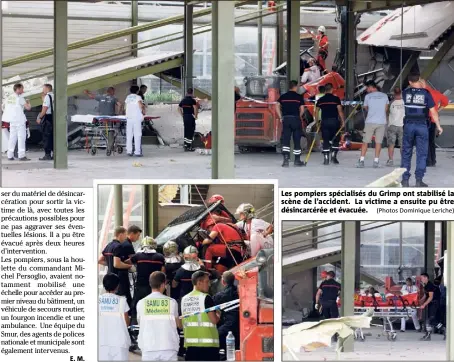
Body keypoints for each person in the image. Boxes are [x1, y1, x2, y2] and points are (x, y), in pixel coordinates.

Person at [401, 73, 443, 187]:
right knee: (422, 153)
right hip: (422, 125)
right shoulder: (426, 93)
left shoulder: (405, 93)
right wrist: (438, 126)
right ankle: (419, 180)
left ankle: (405, 180)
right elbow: (433, 112)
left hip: (409, 125)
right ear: (419, 80)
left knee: (406, 152)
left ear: (409, 82)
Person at [137, 271, 182, 361]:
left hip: (148, 347)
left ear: (150, 284)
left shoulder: (141, 303)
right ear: (163, 284)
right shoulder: (172, 302)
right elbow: (179, 325)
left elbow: (140, 323)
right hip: (169, 347)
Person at [181, 271, 220, 361]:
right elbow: (214, 320)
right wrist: (218, 313)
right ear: (199, 283)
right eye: (207, 282)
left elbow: (180, 324)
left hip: (190, 348)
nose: (209, 284)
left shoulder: (184, 299)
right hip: (208, 348)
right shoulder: (206, 298)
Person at [130, 237, 166, 322]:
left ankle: (135, 324)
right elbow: (163, 272)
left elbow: (129, 263)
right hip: (156, 287)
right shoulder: (160, 257)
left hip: (141, 286)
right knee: (155, 307)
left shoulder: (138, 256)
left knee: (137, 305)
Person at [98, 227, 134, 309]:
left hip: (109, 277)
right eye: (125, 235)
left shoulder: (108, 245)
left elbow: (100, 260)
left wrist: (110, 263)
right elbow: (117, 264)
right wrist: (129, 266)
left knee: (112, 302)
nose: (126, 237)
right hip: (119, 279)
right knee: (124, 300)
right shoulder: (118, 246)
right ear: (120, 235)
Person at [357, 80, 389, 168]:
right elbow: (386, 108)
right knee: (378, 142)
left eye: (367, 88)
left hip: (370, 122)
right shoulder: (384, 96)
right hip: (381, 122)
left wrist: (372, 111)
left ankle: (362, 161)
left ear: (371, 87)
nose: (367, 90)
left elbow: (366, 108)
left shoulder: (368, 97)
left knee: (365, 142)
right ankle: (376, 161)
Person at [99, 273, 131, 361]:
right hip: (119, 342)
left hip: (101, 341)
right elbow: (127, 322)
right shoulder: (122, 301)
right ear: (117, 286)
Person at [419, 79, 449, 167]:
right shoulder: (436, 92)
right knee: (431, 141)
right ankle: (433, 160)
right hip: (433, 119)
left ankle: (428, 161)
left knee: (425, 141)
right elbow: (445, 101)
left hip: (424, 119)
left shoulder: (422, 93)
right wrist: (438, 110)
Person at [313, 83, 345, 165]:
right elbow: (340, 111)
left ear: (325, 90)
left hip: (325, 122)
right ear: (332, 89)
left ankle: (326, 159)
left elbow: (316, 112)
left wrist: (316, 122)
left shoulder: (321, 100)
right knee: (335, 139)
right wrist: (343, 121)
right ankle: (334, 157)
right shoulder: (336, 99)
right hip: (334, 121)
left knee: (325, 139)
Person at [276, 80, 305, 167]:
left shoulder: (283, 96)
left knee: (286, 140)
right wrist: (298, 116)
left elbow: (276, 105)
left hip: (286, 119)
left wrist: (280, 117)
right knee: (296, 140)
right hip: (295, 119)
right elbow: (302, 110)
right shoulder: (299, 97)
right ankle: (297, 160)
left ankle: (285, 160)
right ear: (295, 87)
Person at [213, 271, 239, 361]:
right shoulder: (239, 292)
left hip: (228, 326)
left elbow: (210, 306)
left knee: (215, 335)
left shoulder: (220, 296)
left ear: (223, 282)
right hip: (240, 325)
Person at [3, 83, 31, 161]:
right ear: (18, 89)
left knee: (12, 138)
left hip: (12, 121)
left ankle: (10, 155)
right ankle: (21, 155)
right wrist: (28, 102)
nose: (23, 90)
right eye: (22, 88)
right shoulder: (20, 98)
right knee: (21, 138)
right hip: (20, 121)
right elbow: (28, 108)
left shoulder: (9, 98)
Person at [386, 87, 405, 167]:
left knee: (391, 144)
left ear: (394, 93)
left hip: (392, 125)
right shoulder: (404, 102)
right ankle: (403, 161)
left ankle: (390, 160)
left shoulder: (391, 103)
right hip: (402, 125)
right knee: (402, 144)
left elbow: (386, 112)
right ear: (400, 93)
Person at [125, 85, 145, 157]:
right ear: (137, 91)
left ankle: (129, 151)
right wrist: (143, 110)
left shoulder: (128, 97)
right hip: (136, 118)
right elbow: (140, 105)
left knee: (129, 135)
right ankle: (137, 152)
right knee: (137, 135)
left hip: (129, 118)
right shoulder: (138, 97)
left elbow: (126, 107)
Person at [420, 272, 441, 340]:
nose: (421, 279)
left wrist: (424, 304)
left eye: (422, 278)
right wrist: (420, 301)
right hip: (430, 304)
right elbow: (426, 295)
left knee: (430, 320)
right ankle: (428, 334)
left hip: (434, 304)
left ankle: (443, 330)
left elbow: (430, 297)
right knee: (430, 320)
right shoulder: (426, 285)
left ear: (426, 278)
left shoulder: (430, 285)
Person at [36, 84, 54, 161]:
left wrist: (40, 117)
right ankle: (55, 154)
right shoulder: (54, 96)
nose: (42, 90)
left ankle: (47, 154)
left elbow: (45, 108)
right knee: (53, 137)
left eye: (43, 88)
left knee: (46, 137)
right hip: (54, 117)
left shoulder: (47, 97)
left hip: (48, 118)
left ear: (47, 88)